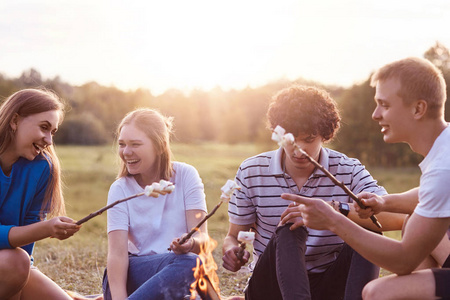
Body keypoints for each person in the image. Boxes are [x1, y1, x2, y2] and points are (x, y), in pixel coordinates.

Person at [281, 57, 450, 300]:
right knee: (414, 223)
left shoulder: (443, 167)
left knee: (378, 292)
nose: (375, 114)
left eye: (385, 105)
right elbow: (431, 193)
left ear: (418, 109)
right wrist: (385, 202)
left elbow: (403, 260)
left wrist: (333, 219)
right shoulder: (445, 149)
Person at [222, 85, 404, 300]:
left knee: (369, 229)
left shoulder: (348, 169)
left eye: (309, 139)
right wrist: (233, 250)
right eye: (292, 139)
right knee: (290, 225)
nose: (299, 149)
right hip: (271, 287)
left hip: (328, 285)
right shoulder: (252, 170)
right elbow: (234, 236)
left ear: (325, 135)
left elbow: (394, 218)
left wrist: (333, 212)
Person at [103, 108, 209, 300]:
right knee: (191, 265)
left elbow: (203, 240)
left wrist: (191, 242)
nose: (126, 152)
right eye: (122, 144)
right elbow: (117, 255)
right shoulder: (120, 189)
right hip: (132, 274)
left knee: (191, 263)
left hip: (178, 273)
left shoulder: (186, 176)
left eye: (135, 144)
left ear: (160, 146)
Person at [0, 88, 81, 300]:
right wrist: (45, 228)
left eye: (52, 131)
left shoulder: (43, 167)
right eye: (44, 127)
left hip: (13, 266)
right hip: (11, 264)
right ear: (15, 120)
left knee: (19, 263)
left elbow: (25, 251)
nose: (49, 140)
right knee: (15, 263)